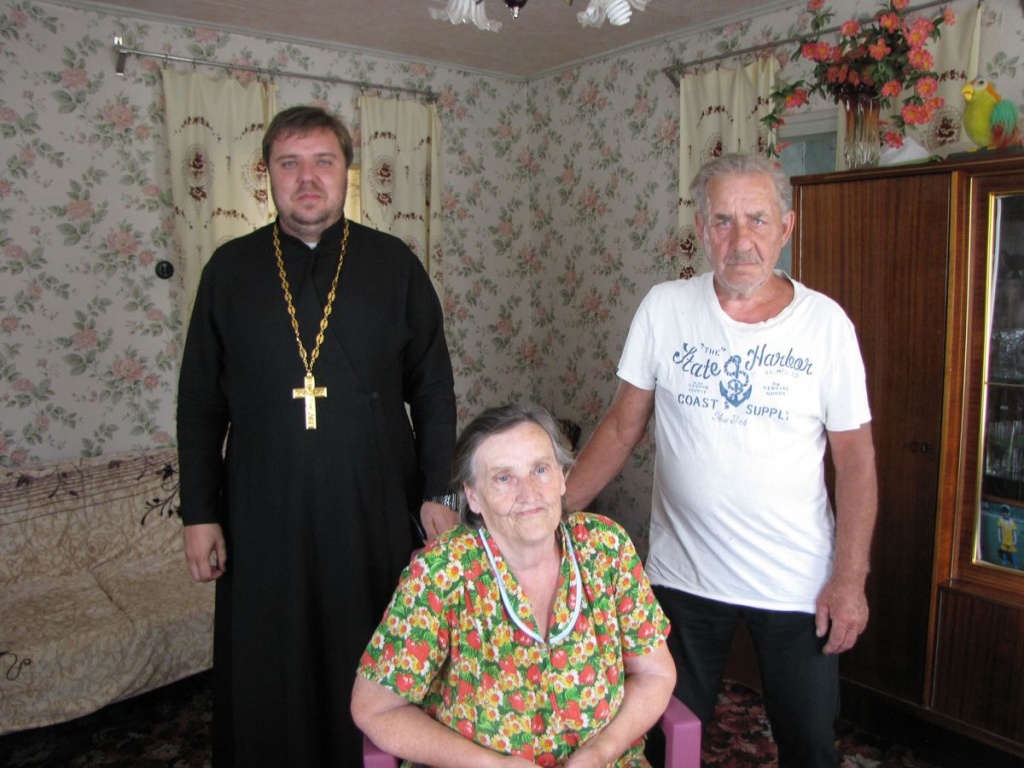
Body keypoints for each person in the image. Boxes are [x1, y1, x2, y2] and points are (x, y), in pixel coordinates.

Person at [564, 153, 878, 767]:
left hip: (796, 583)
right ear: (702, 230)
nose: (741, 240)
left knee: (810, 743)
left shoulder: (825, 326)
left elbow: (857, 462)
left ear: (786, 227)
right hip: (683, 576)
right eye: (723, 221)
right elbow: (622, 427)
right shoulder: (665, 308)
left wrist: (849, 579)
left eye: (757, 219)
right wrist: (553, 512)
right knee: (664, 735)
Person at [176, 105, 457, 767]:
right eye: (290, 163)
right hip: (261, 507)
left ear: (345, 172)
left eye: (323, 162)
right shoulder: (229, 270)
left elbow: (434, 390)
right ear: (268, 176)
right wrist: (199, 513)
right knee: (269, 652)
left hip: (371, 504)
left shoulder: (393, 264)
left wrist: (438, 493)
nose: (307, 178)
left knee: (371, 645)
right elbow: (200, 404)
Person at [351, 403, 677, 767]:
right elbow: (375, 707)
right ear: (473, 496)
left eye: (540, 469)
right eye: (503, 478)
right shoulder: (442, 571)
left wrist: (602, 750)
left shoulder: (605, 548)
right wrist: (493, 765)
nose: (528, 493)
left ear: (562, 478)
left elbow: (654, 672)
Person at [997, 504, 1018, 569]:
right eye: (1004, 512)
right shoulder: (1000, 521)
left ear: (1009, 513)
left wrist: (1015, 540)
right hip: (1003, 542)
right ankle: (1004, 564)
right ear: (1001, 513)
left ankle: (1015, 566)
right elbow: (999, 530)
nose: (1005, 514)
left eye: (1007, 512)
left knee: (1013, 554)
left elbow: (1014, 532)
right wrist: (999, 538)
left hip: (1011, 542)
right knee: (1004, 553)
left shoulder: (1012, 522)